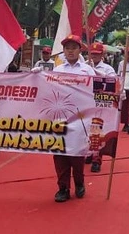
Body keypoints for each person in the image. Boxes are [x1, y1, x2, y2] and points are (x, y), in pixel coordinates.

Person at [46, 34, 95, 202]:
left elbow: (99, 90)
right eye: (67, 48)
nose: (71, 51)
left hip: (81, 118)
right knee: (59, 153)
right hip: (60, 117)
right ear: (64, 51)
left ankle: (79, 183)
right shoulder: (58, 69)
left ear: (80, 49)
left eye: (74, 48)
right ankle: (63, 188)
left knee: (76, 154)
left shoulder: (87, 70)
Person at [85, 42, 116, 172]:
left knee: (97, 132)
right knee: (85, 130)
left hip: (100, 103)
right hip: (85, 103)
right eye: (92, 54)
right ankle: (88, 153)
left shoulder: (108, 69)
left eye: (97, 54)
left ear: (102, 55)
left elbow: (114, 82)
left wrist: (97, 72)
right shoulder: (83, 66)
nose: (94, 57)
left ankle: (97, 160)